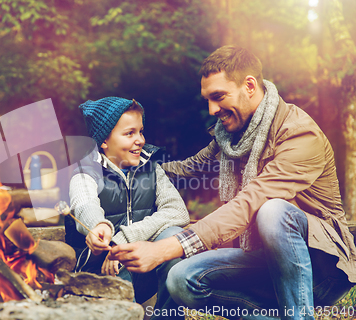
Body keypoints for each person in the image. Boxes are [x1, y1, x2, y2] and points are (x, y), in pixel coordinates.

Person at [109, 45, 356, 320]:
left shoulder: (299, 134)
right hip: (261, 261)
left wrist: (165, 248)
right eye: (207, 100)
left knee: (273, 211)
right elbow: (188, 168)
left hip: (320, 272)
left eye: (218, 97)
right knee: (181, 278)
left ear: (249, 85)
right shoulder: (230, 137)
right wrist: (128, 168)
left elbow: (251, 201)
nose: (212, 109)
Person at [65, 96, 190, 307]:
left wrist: (123, 240)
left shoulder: (151, 167)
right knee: (116, 263)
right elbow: (85, 205)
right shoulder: (84, 172)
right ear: (104, 141)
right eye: (129, 133)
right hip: (101, 275)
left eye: (140, 131)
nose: (140, 140)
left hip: (144, 272)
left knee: (173, 236)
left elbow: (178, 211)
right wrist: (99, 227)